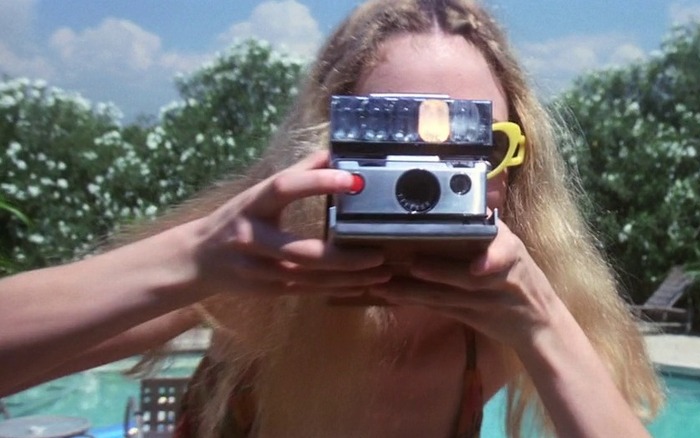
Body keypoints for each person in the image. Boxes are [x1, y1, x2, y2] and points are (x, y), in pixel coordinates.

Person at [0, 0, 664, 436]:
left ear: (520, 166)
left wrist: (542, 320)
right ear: (326, 151)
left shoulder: (499, 325)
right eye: (390, 152)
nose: (427, 186)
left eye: (477, 150)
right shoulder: (260, 281)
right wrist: (191, 260)